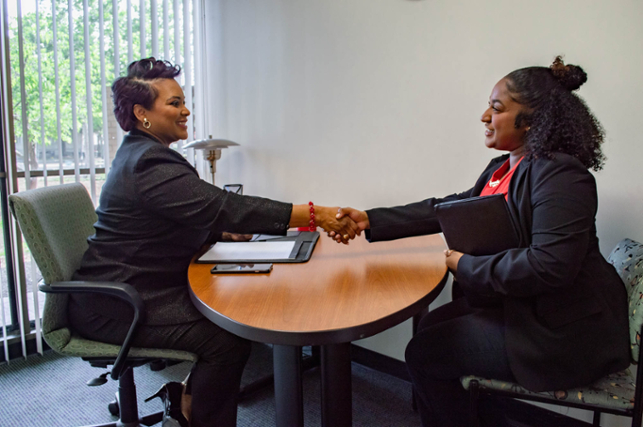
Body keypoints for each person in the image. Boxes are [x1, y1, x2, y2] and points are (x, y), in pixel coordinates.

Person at [332, 57, 631, 426]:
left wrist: (465, 266)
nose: (484, 117)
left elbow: (550, 265)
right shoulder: (503, 168)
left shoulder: (562, 175)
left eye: (496, 108)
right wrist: (370, 219)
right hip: (524, 307)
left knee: (424, 354)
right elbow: (447, 208)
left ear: (533, 120)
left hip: (563, 331)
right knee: (428, 329)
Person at [68, 57, 358, 427]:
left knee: (234, 315)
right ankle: (191, 411)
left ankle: (186, 402)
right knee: (226, 339)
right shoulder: (147, 163)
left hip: (140, 286)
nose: (186, 109)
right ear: (142, 113)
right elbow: (223, 206)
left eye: (183, 100)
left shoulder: (145, 154)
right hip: (116, 303)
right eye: (174, 103)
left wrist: (221, 233)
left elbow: (173, 220)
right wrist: (315, 214)